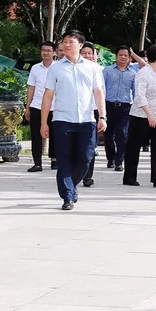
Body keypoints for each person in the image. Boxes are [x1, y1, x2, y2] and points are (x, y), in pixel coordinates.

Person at [40, 30, 106, 211]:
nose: (66, 45)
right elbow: (48, 96)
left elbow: (98, 93)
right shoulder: (56, 68)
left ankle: (72, 185)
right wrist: (43, 122)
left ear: (81, 45)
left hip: (86, 120)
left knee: (86, 158)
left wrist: (102, 116)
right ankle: (67, 196)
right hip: (62, 120)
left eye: (71, 41)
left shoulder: (92, 68)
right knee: (64, 160)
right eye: (64, 42)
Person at [122, 45, 156, 187]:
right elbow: (140, 96)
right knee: (134, 147)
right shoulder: (143, 74)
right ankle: (129, 177)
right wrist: (149, 114)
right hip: (141, 116)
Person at [24, 40, 56, 172]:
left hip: (55, 106)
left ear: (54, 52)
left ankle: (55, 160)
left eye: (49, 50)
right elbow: (31, 87)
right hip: (37, 106)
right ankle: (37, 162)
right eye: (44, 50)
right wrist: (27, 107)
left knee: (55, 134)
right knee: (36, 135)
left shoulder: (59, 67)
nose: (46, 53)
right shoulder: (35, 68)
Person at [103, 45, 135, 172]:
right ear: (116, 56)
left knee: (122, 134)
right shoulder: (107, 71)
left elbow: (136, 91)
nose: (122, 57)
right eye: (120, 55)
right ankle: (110, 158)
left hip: (125, 107)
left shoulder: (133, 74)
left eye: (125, 55)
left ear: (129, 58)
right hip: (108, 105)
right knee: (108, 135)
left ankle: (119, 161)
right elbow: (101, 88)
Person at [80, 42, 101, 187]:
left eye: (90, 53)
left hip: (95, 111)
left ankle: (88, 176)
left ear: (95, 55)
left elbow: (102, 93)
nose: (87, 55)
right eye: (84, 53)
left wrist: (104, 115)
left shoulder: (100, 70)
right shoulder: (73, 69)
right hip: (78, 111)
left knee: (90, 146)